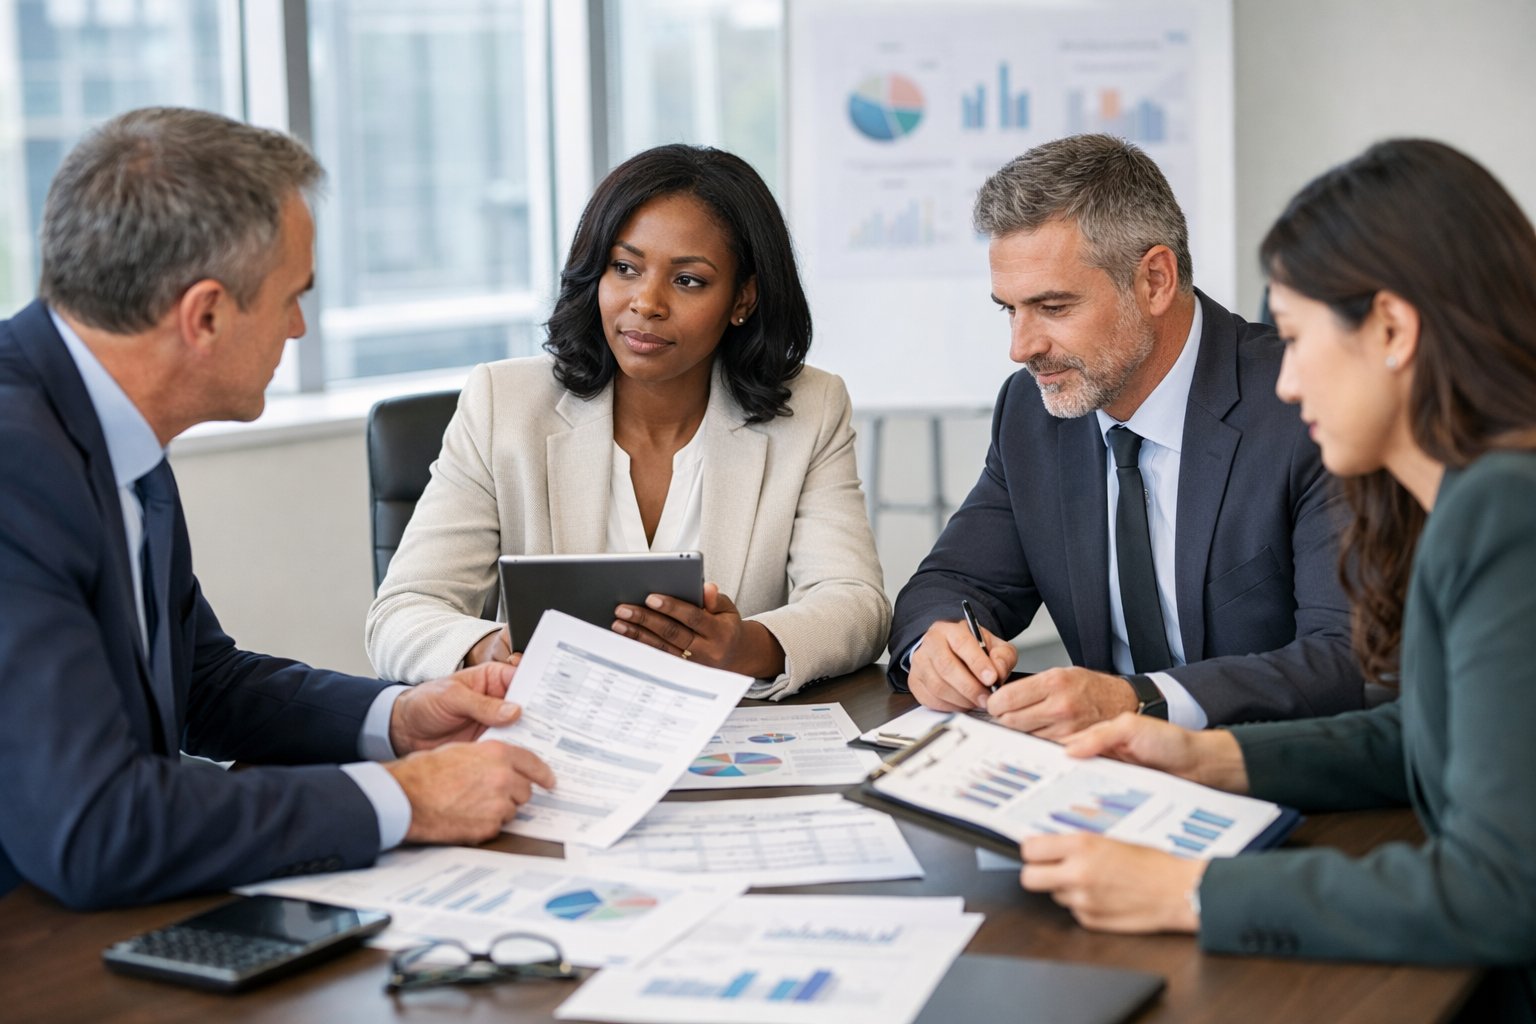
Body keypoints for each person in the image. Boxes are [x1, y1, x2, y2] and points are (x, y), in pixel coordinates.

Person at [1019, 140, 1536, 1019]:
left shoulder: (1505, 512)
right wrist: (1209, 753)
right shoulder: (1483, 495)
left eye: (1296, 340)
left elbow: (1497, 889)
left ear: (1393, 329)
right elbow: (1436, 734)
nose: (1287, 384)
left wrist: (1190, 892)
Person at [0, 107, 555, 910]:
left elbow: (201, 683)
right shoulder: (17, 467)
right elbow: (97, 827)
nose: (299, 327)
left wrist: (399, 718)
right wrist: (408, 799)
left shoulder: (105, 424)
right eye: (292, 298)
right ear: (206, 315)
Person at [366, 144, 889, 699]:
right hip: (550, 736)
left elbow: (856, 603)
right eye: (624, 268)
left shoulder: (810, 407)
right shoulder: (504, 403)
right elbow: (400, 615)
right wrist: (489, 650)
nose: (647, 302)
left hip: (722, 744)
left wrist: (748, 647)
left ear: (744, 297)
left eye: (688, 280)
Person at [887, 134, 1363, 737]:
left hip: (1270, 775)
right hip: (1100, 785)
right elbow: (952, 583)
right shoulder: (1032, 412)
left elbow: (1344, 657)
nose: (1020, 348)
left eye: (1053, 307)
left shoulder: (1303, 406)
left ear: (1156, 281)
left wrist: (1140, 702)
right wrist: (935, 648)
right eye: (1008, 309)